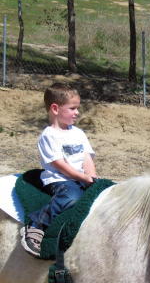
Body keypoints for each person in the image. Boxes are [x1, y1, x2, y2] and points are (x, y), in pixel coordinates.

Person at [21, 83, 97, 257]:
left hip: (81, 178)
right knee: (71, 197)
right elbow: (60, 165)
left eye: (77, 108)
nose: (77, 112)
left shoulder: (78, 133)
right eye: (72, 108)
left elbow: (87, 158)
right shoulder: (48, 136)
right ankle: (37, 226)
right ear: (55, 108)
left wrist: (91, 177)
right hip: (59, 181)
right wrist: (83, 178)